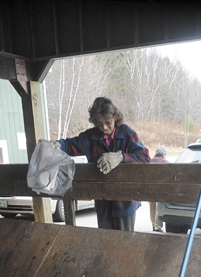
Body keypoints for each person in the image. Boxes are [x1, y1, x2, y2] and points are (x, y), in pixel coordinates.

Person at [56, 97, 150, 231]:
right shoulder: (91, 136)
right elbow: (71, 144)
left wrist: (121, 157)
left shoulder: (127, 133)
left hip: (125, 202)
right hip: (102, 202)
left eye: (108, 122)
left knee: (125, 244)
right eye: (100, 124)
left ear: (115, 118)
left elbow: (145, 158)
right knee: (105, 242)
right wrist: (59, 145)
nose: (104, 127)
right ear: (95, 122)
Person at [150, 145, 169, 232]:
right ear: (164, 153)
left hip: (150, 188)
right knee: (159, 206)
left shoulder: (150, 161)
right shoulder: (166, 162)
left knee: (152, 206)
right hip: (160, 189)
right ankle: (158, 226)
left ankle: (153, 224)